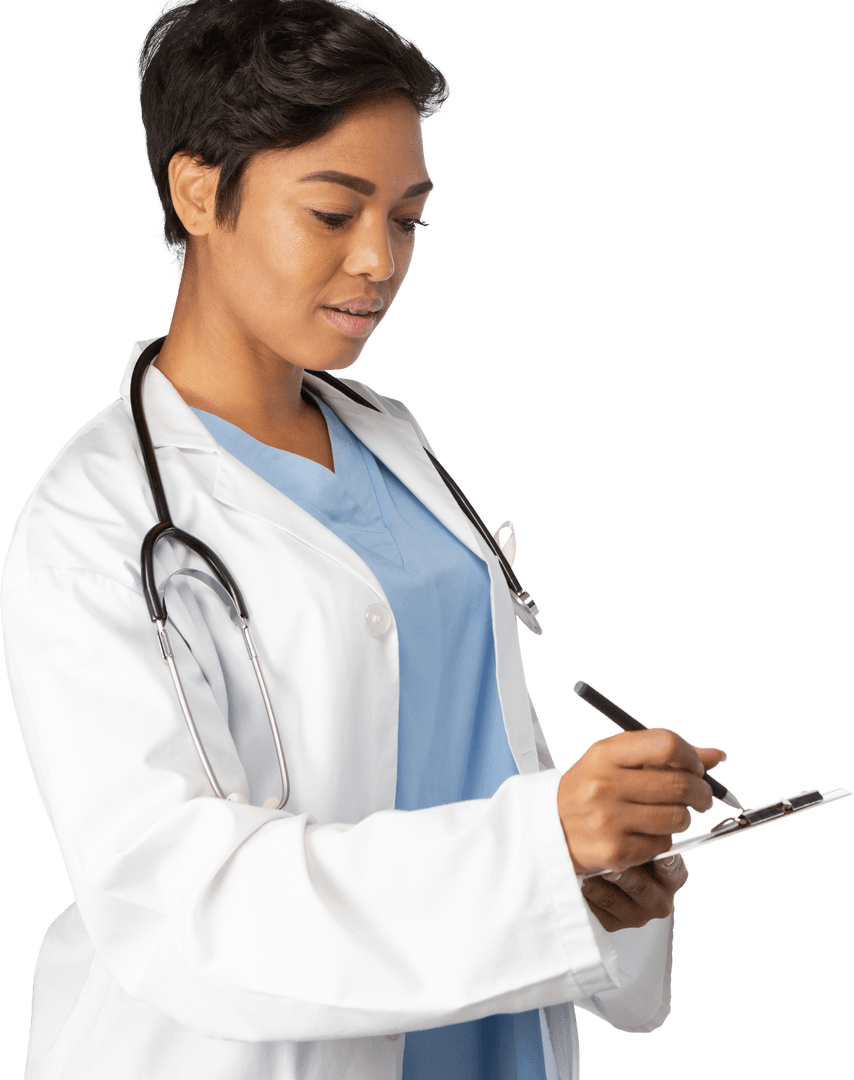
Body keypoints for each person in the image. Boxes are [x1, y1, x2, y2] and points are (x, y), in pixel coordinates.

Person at [1, 1, 727, 1077]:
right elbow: (175, 901)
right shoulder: (94, 523)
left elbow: (471, 751)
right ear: (198, 192)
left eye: (407, 220)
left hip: (490, 1037)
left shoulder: (392, 437)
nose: (379, 261)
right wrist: (537, 845)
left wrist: (592, 866)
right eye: (333, 213)